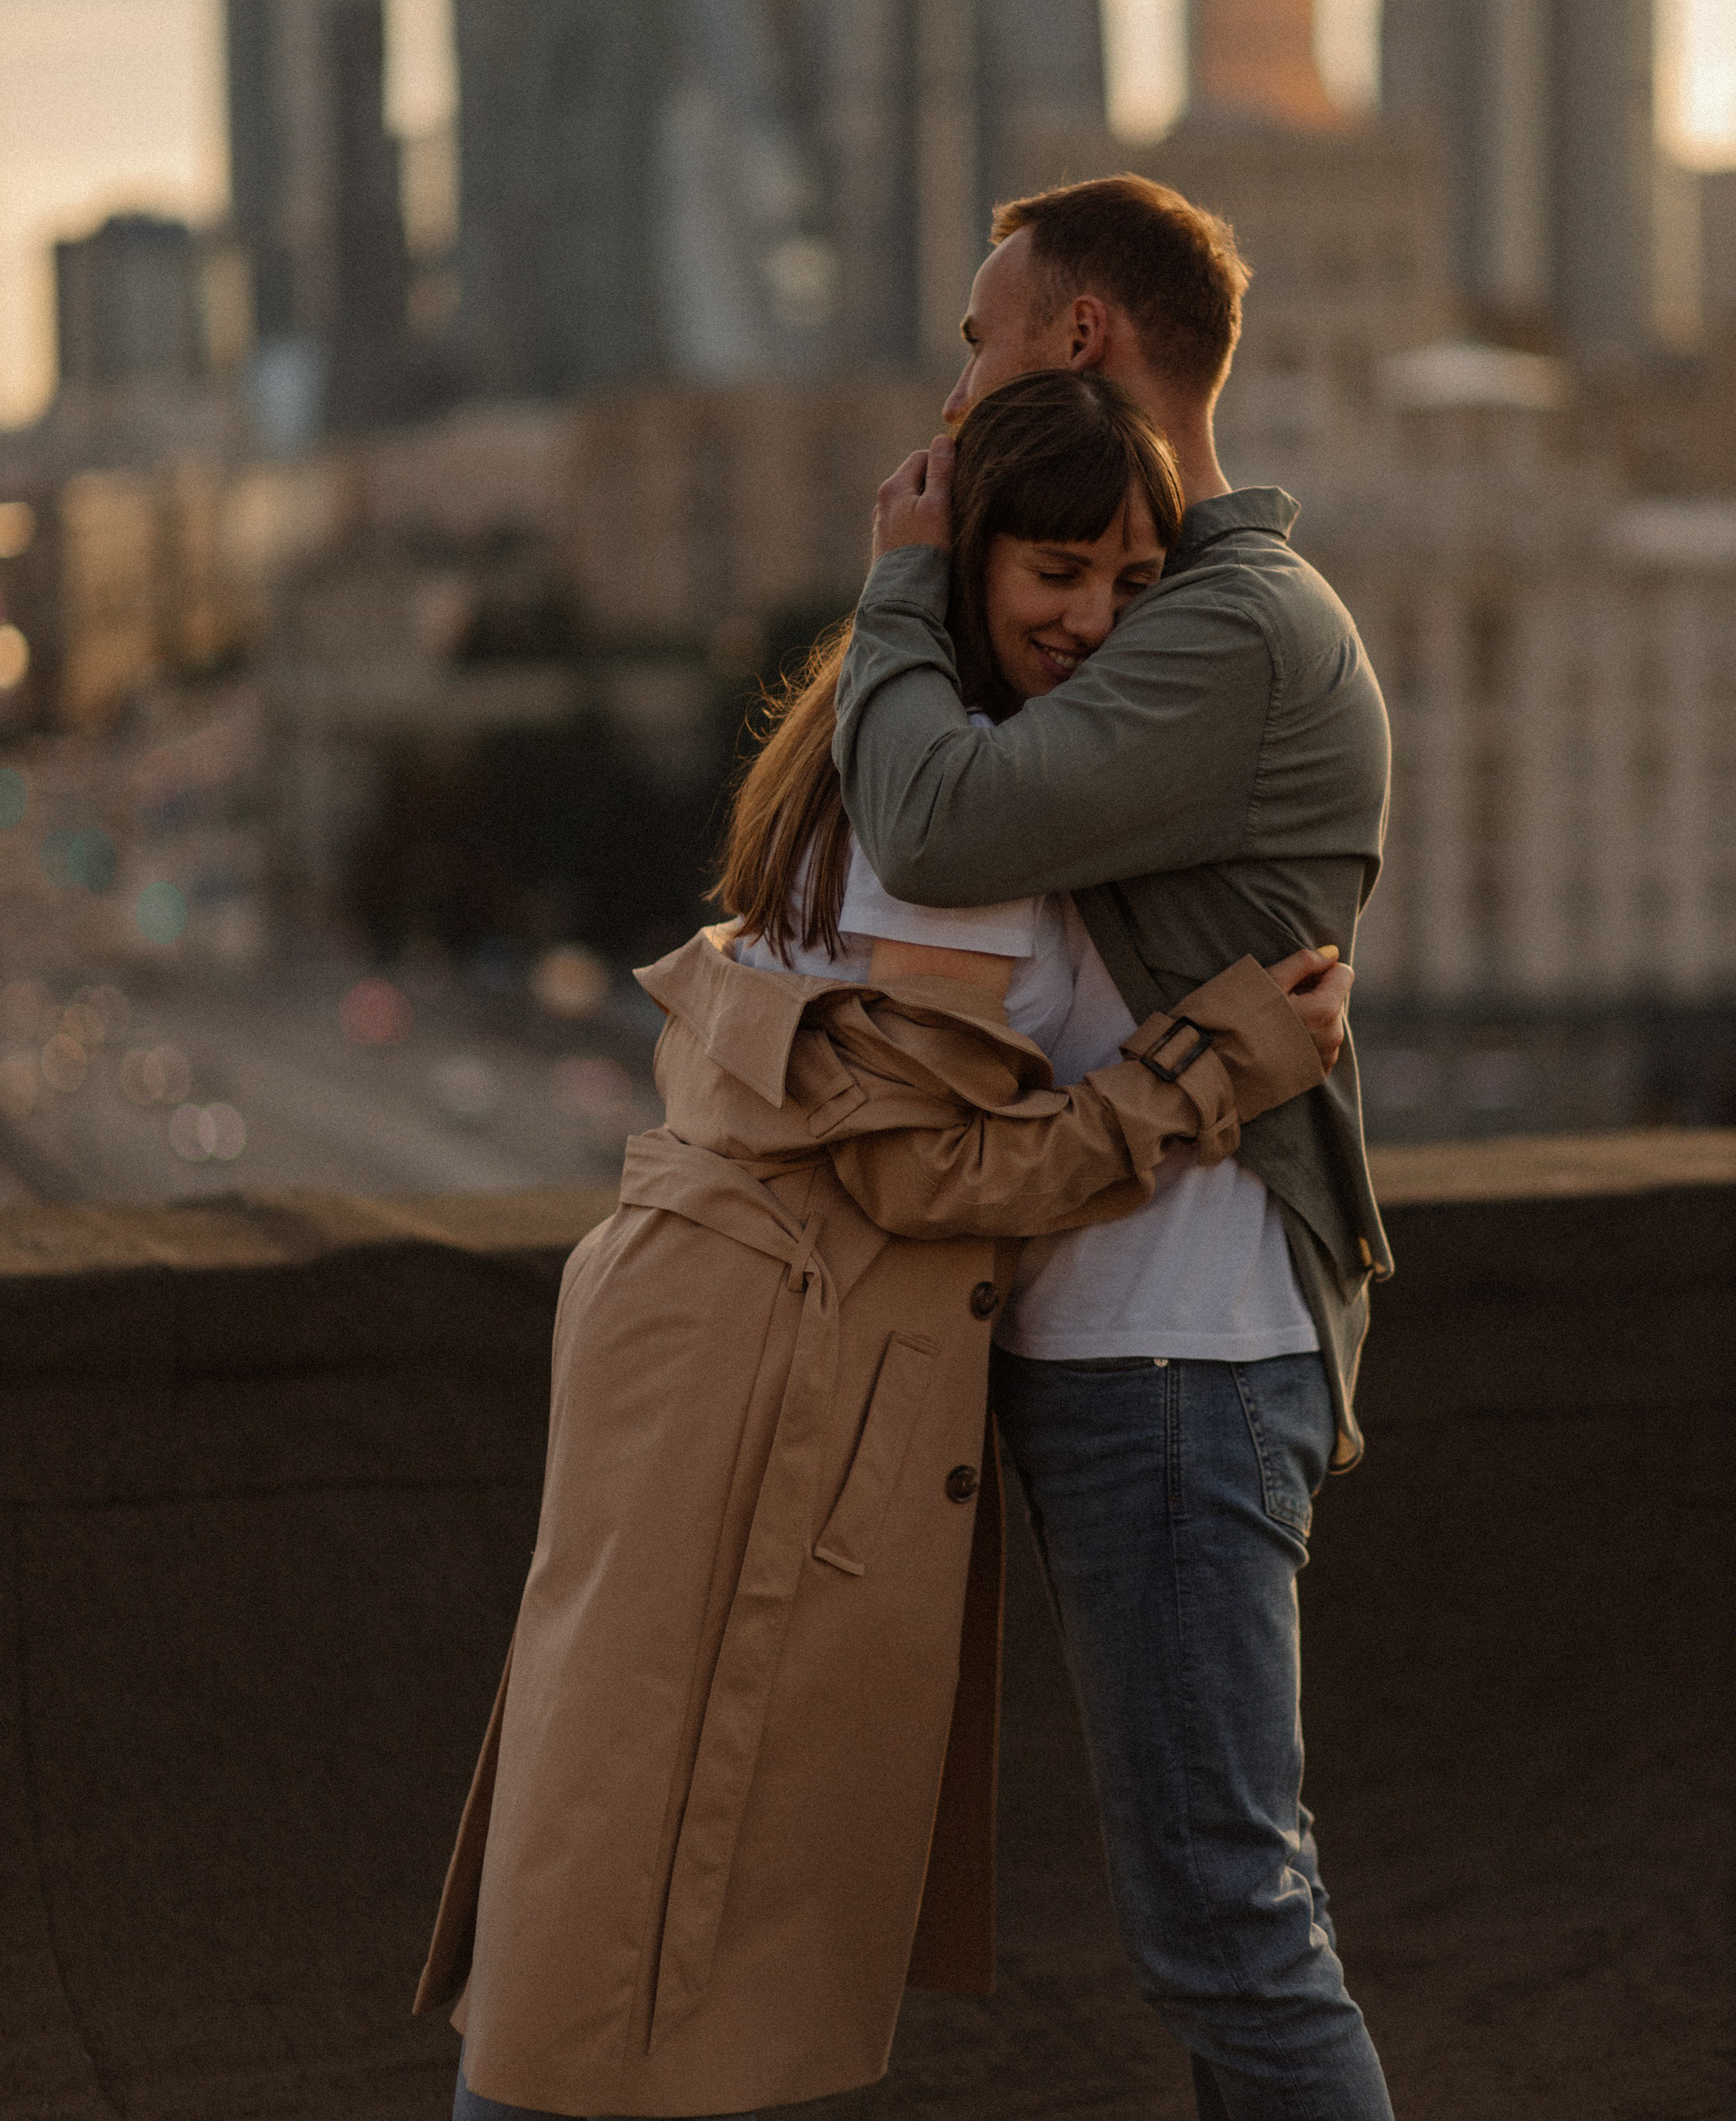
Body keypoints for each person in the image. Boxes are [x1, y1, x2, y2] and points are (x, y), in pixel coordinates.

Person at [417, 372, 1354, 2121]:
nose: (1095, 620)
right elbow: (926, 1172)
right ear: (970, 559)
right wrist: (1218, 1065)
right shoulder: (957, 826)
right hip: (776, 1352)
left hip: (706, 1321)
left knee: (620, 1843)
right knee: (650, 1883)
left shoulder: (887, 738)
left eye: (1135, 583)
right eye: (1055, 570)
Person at [833, 177, 1396, 2121]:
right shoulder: (1186, 613)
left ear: (1082, 339)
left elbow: (936, 823)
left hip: (1182, 1356)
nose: (958, 385)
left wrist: (902, 582)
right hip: (1137, 1346)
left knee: (1233, 1934)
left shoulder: (1231, 626)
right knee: (1224, 1932)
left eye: (980, 339)